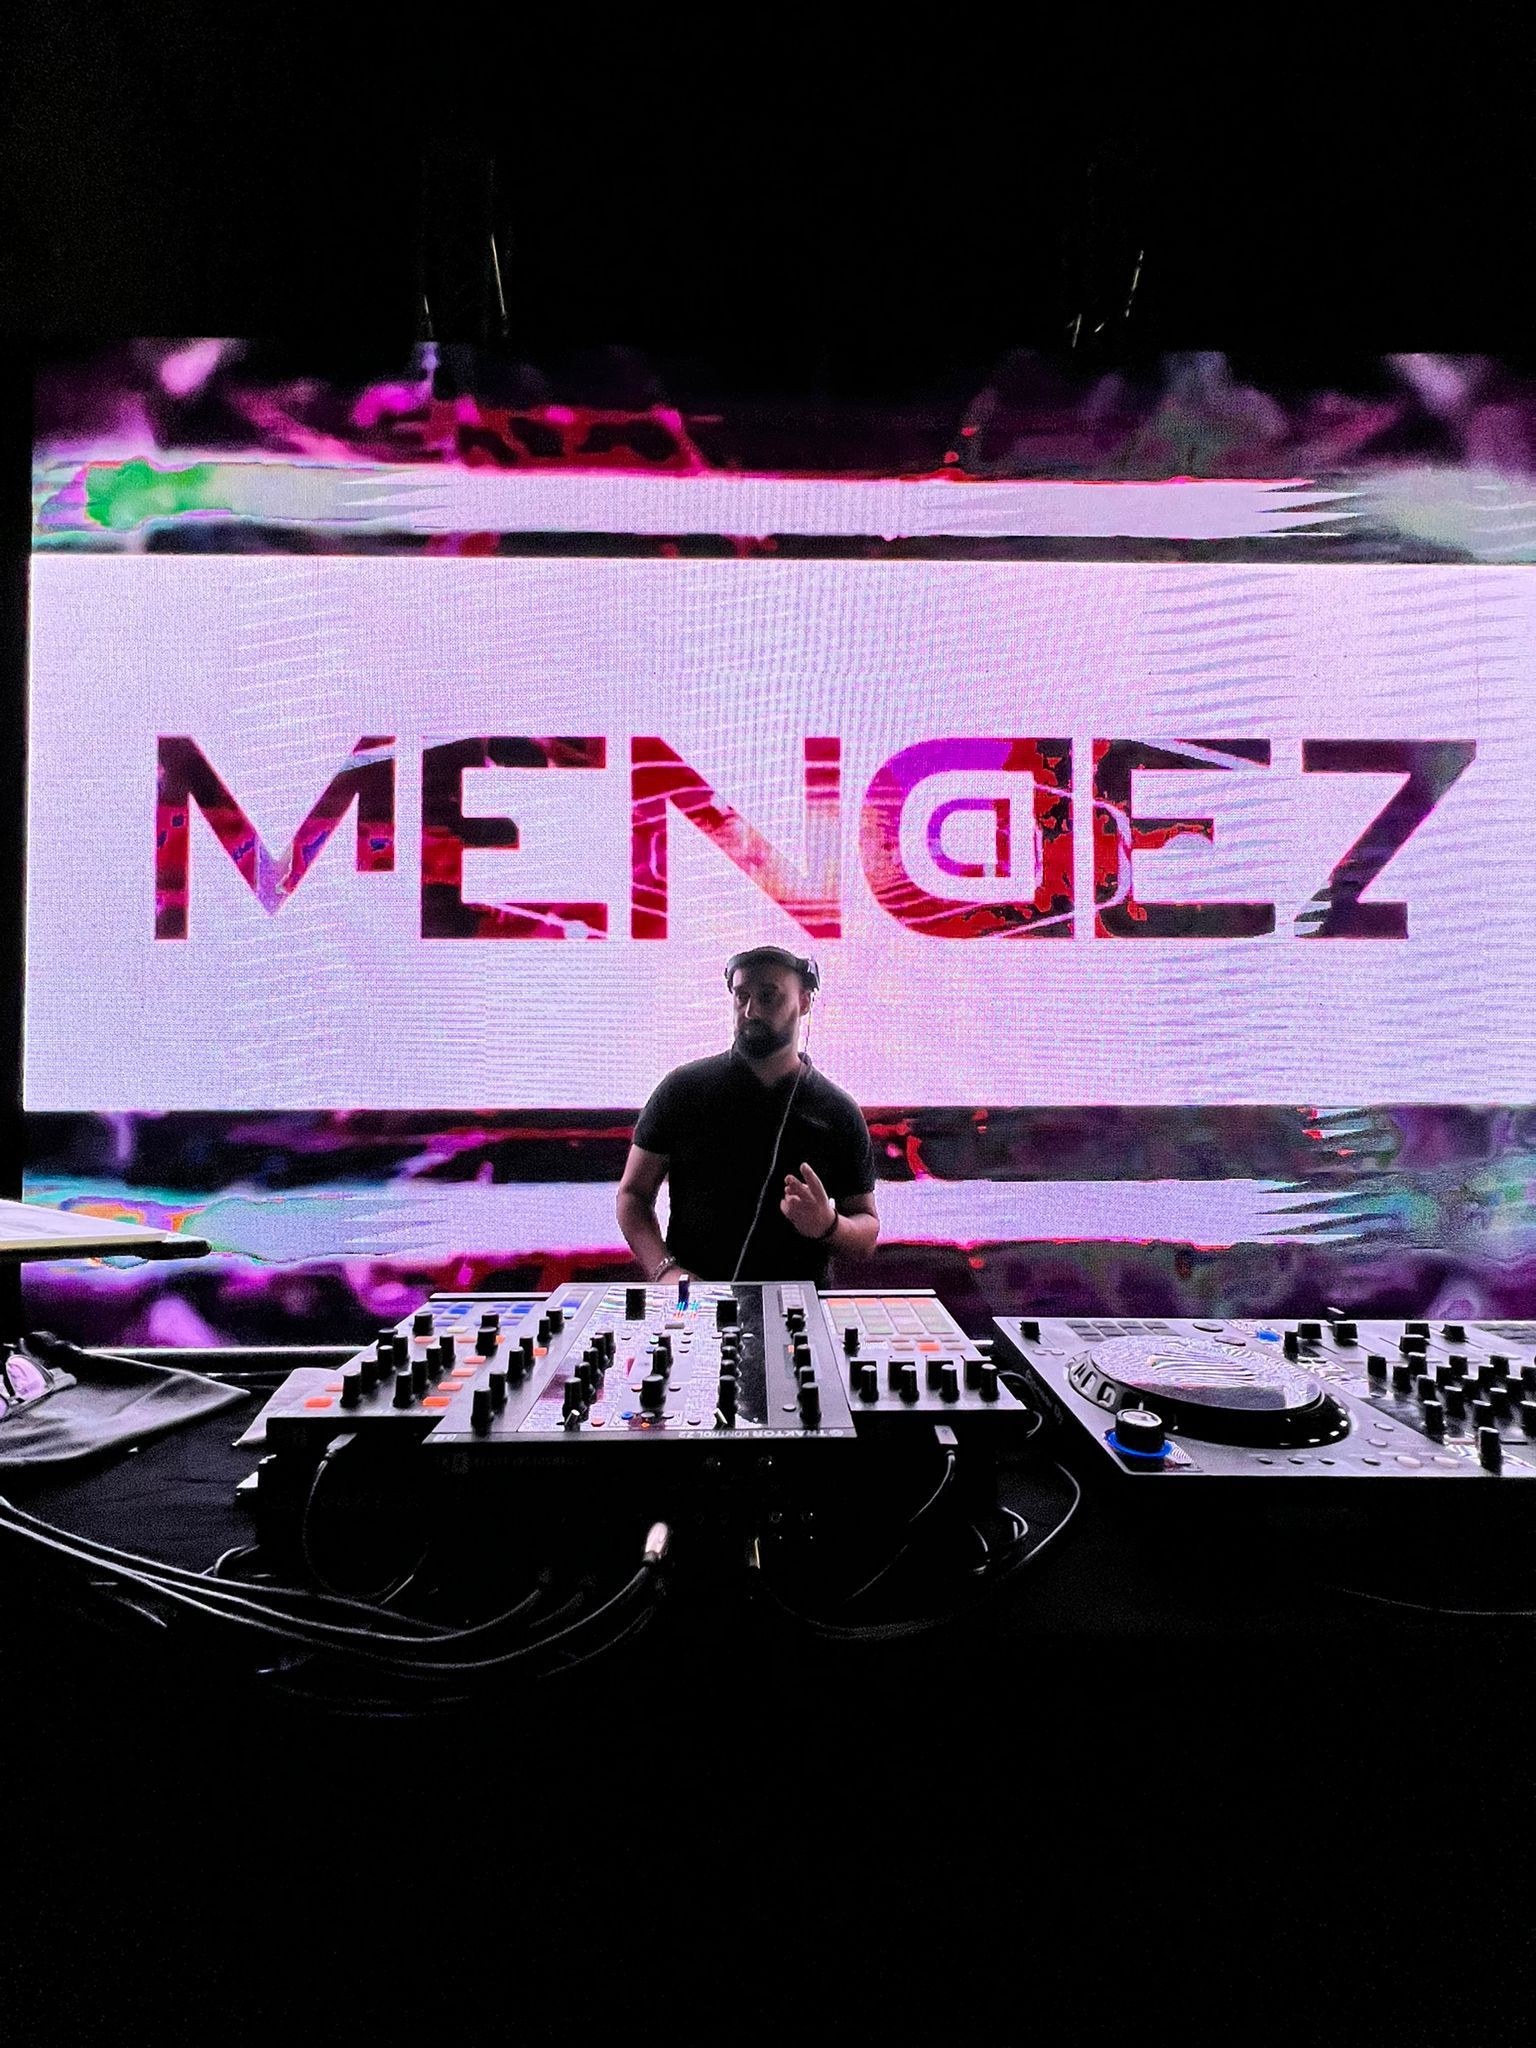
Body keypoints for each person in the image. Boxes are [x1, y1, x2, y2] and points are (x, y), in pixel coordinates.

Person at [616, 947, 880, 1285]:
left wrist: (829, 1224)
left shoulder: (837, 1111)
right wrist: (665, 1272)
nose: (751, 1011)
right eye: (742, 997)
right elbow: (633, 1196)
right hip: (696, 1305)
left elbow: (866, 1231)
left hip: (799, 1306)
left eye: (768, 996)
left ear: (804, 1001)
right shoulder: (682, 1090)